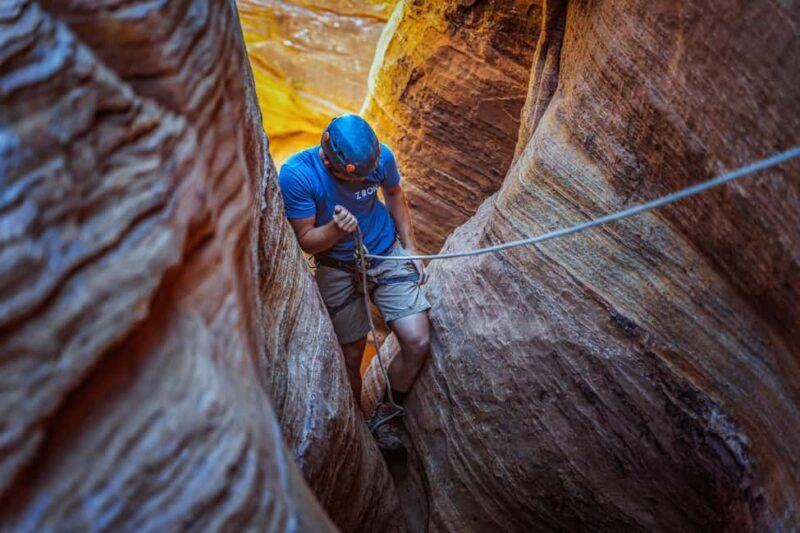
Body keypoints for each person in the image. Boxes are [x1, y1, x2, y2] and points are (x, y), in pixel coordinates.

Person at [278, 114, 431, 452]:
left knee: (417, 342)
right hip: (337, 267)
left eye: (368, 174)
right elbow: (307, 240)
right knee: (350, 355)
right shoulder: (297, 175)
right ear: (327, 160)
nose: (365, 180)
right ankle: (359, 425)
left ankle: (387, 412)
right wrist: (336, 229)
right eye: (357, 178)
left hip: (384, 251)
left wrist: (409, 248)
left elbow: (393, 193)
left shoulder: (380, 158)